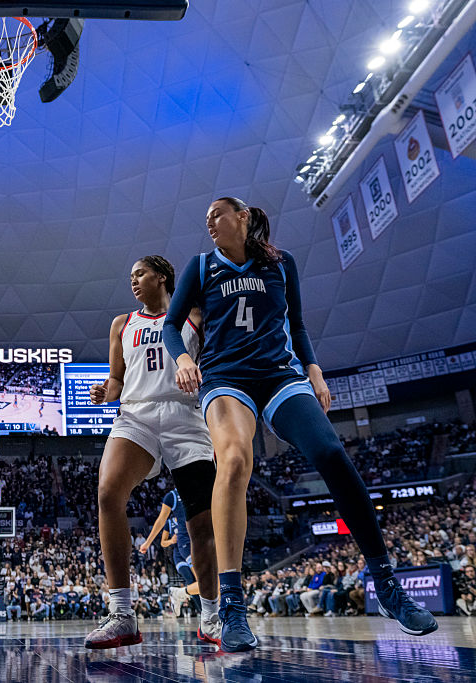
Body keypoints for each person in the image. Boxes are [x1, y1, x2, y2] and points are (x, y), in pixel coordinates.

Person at [163, 197, 437, 651]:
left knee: (330, 453)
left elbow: (298, 322)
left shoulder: (281, 262)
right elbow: (172, 325)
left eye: (217, 214)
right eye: (206, 218)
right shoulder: (199, 266)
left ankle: (387, 585)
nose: (209, 222)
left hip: (279, 375)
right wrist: (185, 357)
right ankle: (232, 604)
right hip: (225, 377)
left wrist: (314, 369)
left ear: (243, 217)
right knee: (232, 461)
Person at [83, 256, 220, 650]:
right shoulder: (121, 324)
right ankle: (122, 613)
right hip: (137, 415)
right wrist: (105, 392)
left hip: (185, 415)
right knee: (108, 493)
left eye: (140, 274)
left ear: (162, 276)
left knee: (200, 523)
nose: (133, 281)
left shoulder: (194, 315)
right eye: (130, 277)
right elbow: (116, 380)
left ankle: (211, 615)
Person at [141, 488, 206, 620]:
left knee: (209, 582)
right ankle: (203, 612)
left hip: (199, 541)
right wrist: (150, 543)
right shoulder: (172, 502)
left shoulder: (199, 489)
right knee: (196, 580)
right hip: (183, 547)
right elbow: (162, 534)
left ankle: (181, 594)